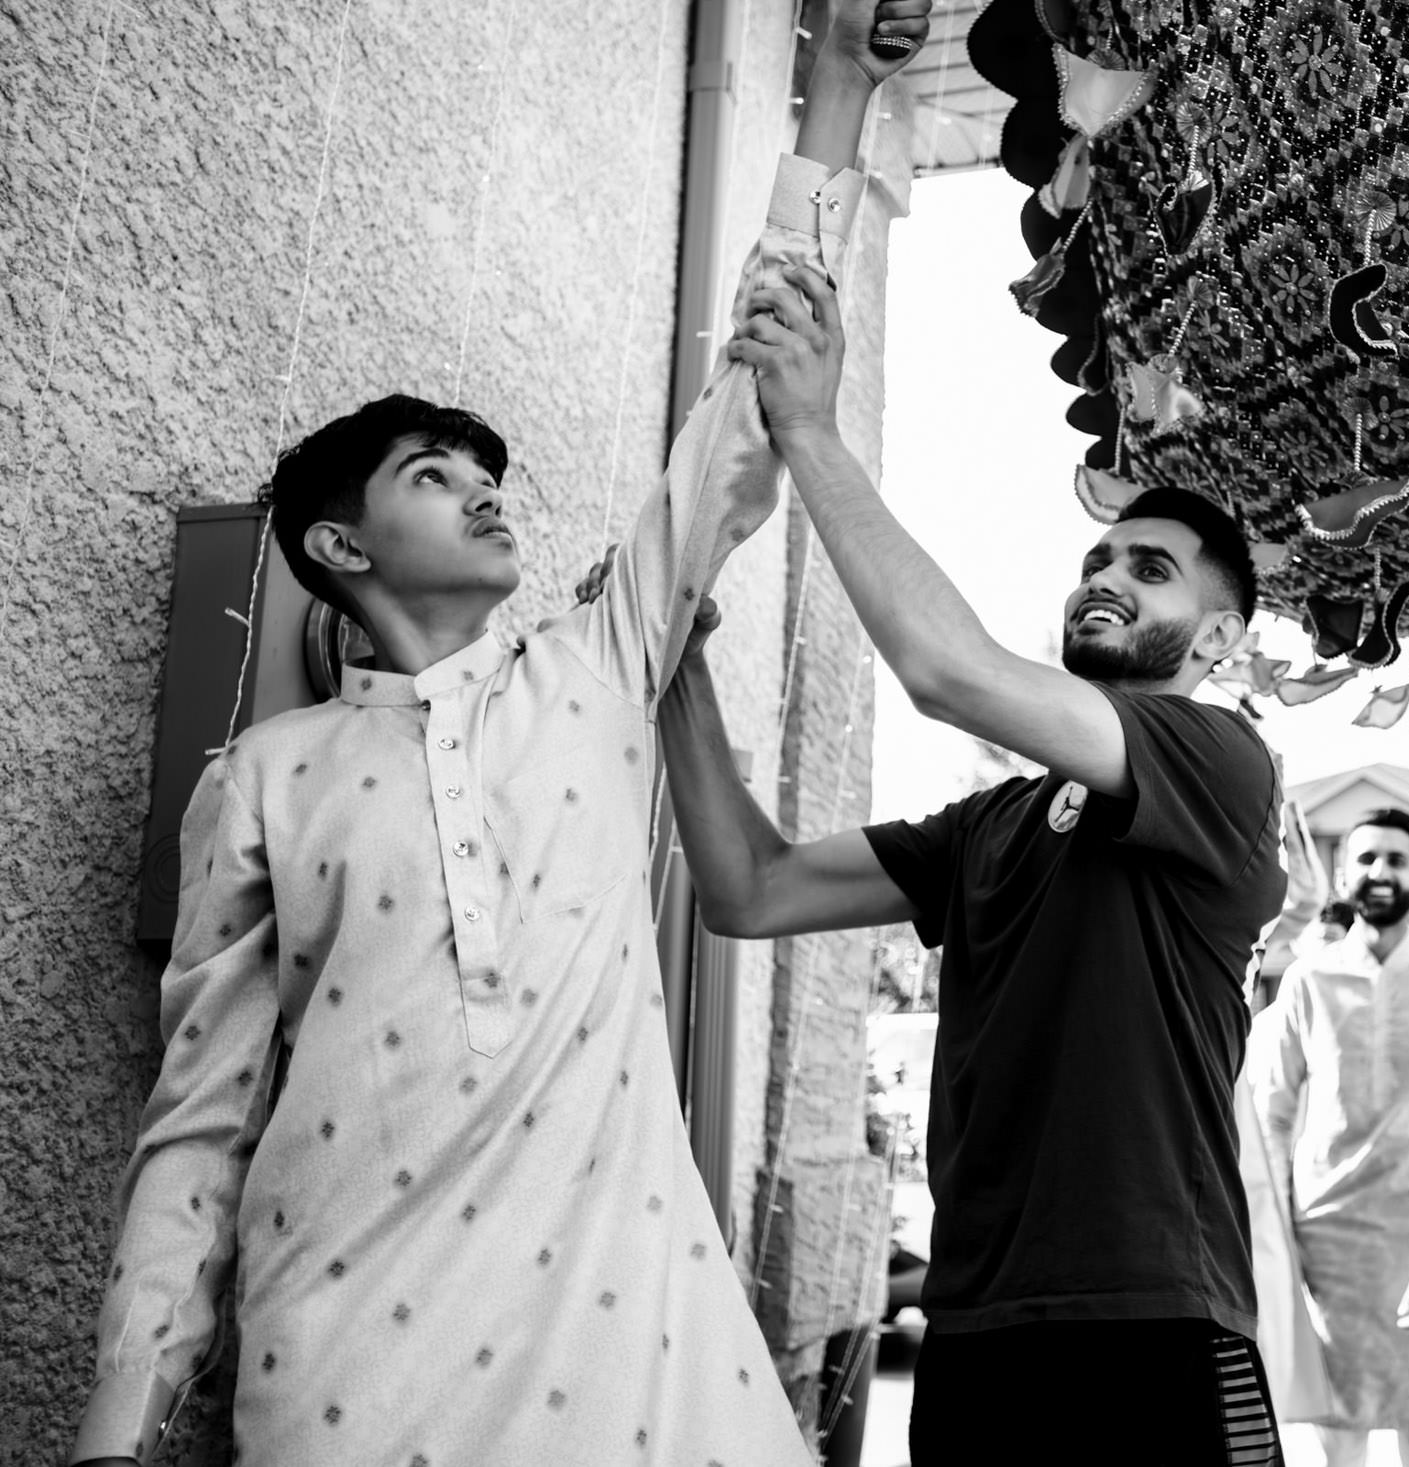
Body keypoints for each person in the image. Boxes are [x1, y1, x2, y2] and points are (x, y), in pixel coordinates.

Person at [65, 9, 934, 1463]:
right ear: (341, 544)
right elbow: (199, 1124)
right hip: (337, 1365)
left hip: (626, 1354)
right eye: (433, 474)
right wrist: (114, 1429)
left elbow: (739, 419)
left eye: (486, 473)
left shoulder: (594, 667)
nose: (482, 492)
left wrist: (836, 83)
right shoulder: (263, 781)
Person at [651, 208, 1286, 1466]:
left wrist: (810, 432)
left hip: (1150, 1320)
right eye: (1099, 556)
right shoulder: (992, 823)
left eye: (1151, 571)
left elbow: (945, 671)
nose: (1104, 576)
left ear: (1217, 644)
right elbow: (749, 888)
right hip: (976, 1323)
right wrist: (678, 675)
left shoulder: (1219, 763)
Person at [1251, 808, 1409, 1467]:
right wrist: (1282, 1247)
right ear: (1343, 873)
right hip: (1328, 1260)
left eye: (1396, 858)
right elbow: (1272, 1118)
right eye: (1365, 858)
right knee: (1339, 1452)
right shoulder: (1308, 982)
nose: (1380, 871)